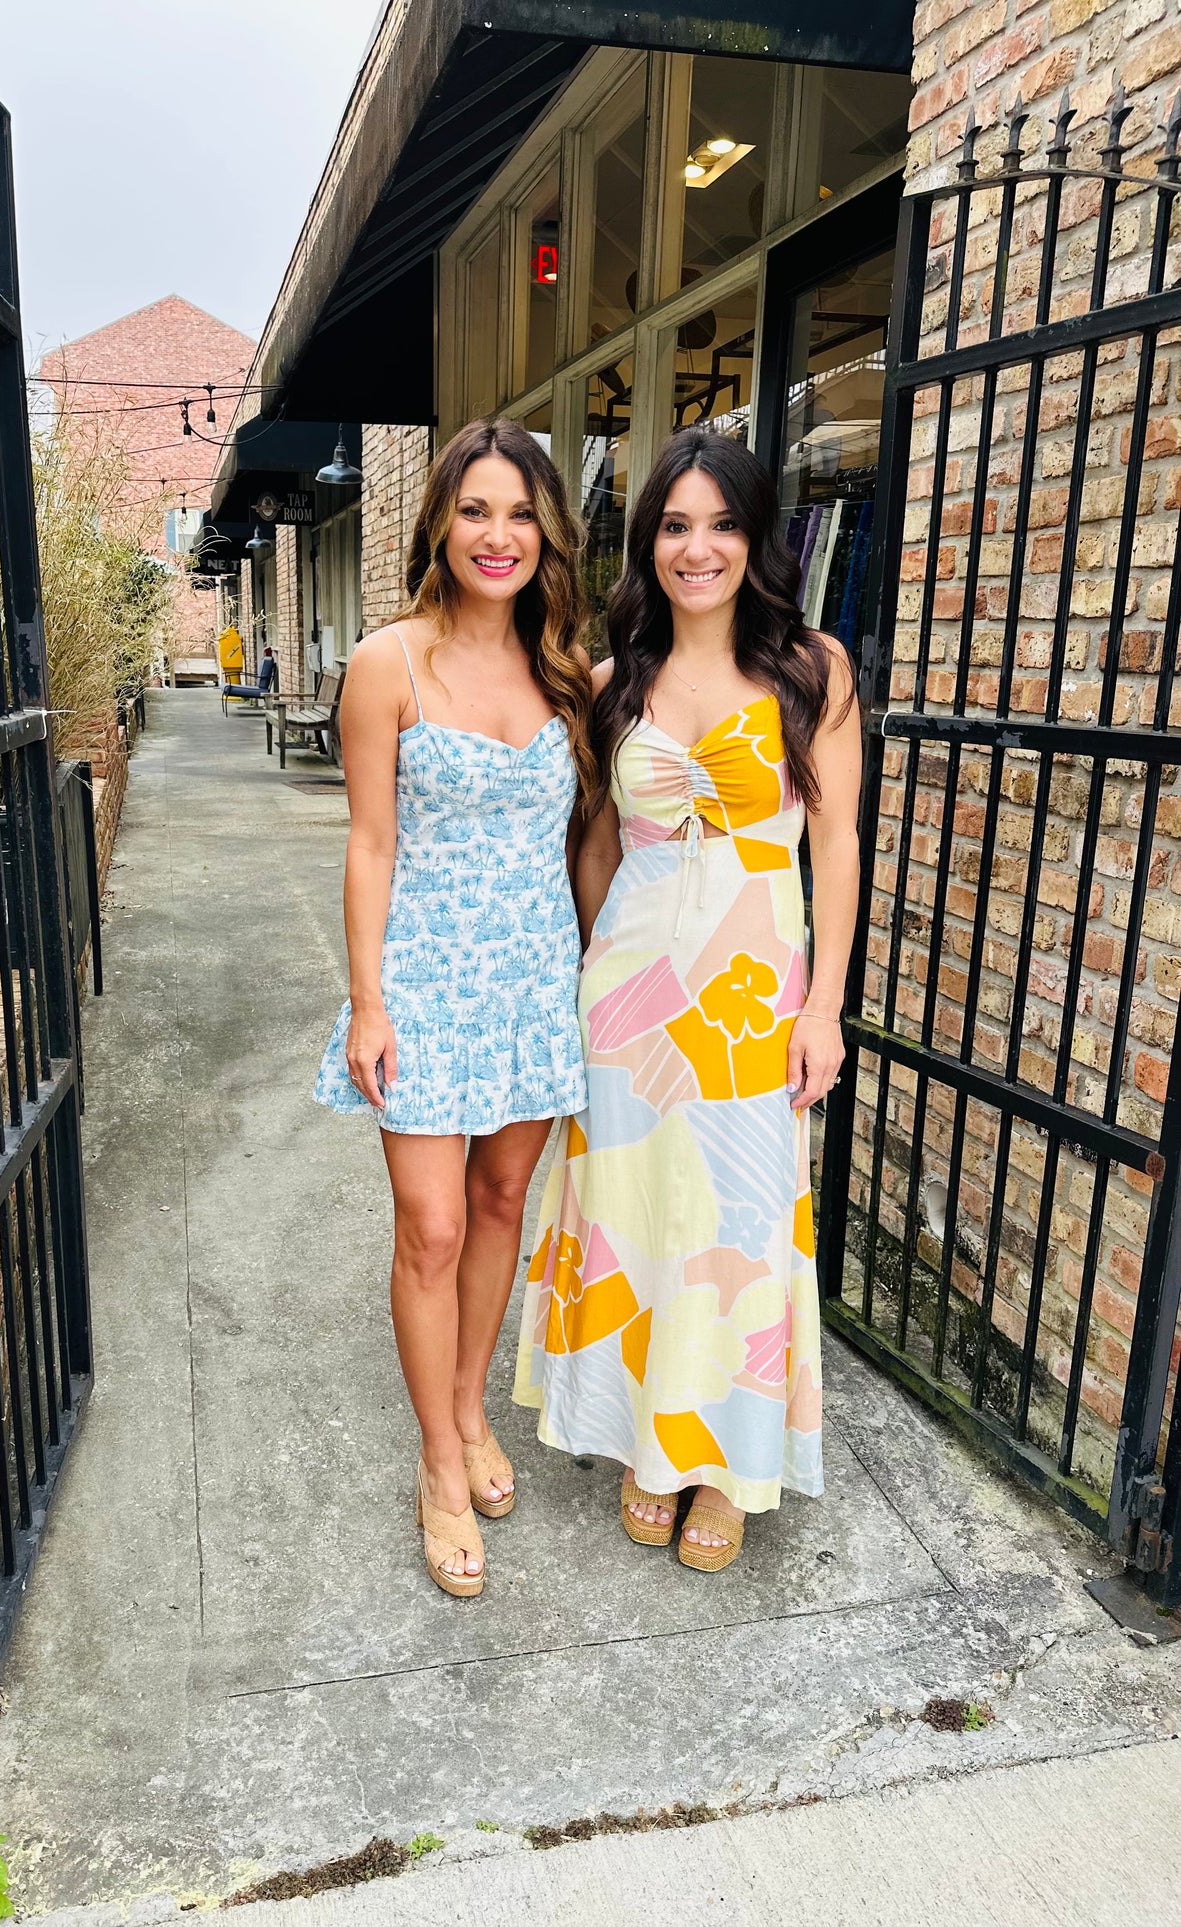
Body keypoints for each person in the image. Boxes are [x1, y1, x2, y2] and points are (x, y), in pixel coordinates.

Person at [514, 428, 860, 1571]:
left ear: (754, 537)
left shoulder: (813, 669)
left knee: (739, 1222)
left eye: (719, 524)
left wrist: (822, 1009)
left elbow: (836, 846)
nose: (695, 548)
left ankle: (722, 1463)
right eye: (673, 525)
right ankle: (643, 1442)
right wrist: (587, 981)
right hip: (628, 996)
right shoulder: (612, 682)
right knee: (637, 1212)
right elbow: (594, 848)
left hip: (753, 1001)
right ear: (646, 542)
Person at [314, 418, 597, 1598]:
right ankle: (437, 1459)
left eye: (520, 513)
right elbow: (369, 843)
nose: (497, 534)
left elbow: (587, 840)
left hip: (533, 978)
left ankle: (471, 1406)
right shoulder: (387, 662)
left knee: (498, 1204)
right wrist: (366, 1001)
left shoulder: (568, 672)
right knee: (429, 1225)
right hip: (424, 983)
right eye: (475, 509)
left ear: (548, 534)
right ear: (439, 522)